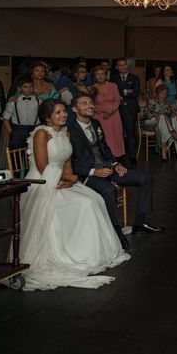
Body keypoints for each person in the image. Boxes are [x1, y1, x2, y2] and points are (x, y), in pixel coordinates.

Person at [19, 100, 130, 290]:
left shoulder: (65, 132)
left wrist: (71, 180)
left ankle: (94, 253)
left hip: (62, 178)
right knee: (83, 205)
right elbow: (42, 166)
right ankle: (77, 253)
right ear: (48, 117)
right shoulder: (41, 134)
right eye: (58, 112)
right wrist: (67, 177)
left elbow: (68, 162)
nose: (63, 115)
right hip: (43, 182)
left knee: (94, 199)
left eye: (64, 111)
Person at [69, 94, 165, 250]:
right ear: (74, 109)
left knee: (145, 177)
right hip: (87, 175)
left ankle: (140, 222)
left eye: (91, 102)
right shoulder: (70, 130)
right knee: (109, 190)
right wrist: (94, 171)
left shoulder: (96, 123)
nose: (90, 105)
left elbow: (105, 148)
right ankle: (116, 231)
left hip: (107, 169)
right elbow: (71, 162)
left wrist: (115, 164)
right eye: (83, 103)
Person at [90, 66, 126, 159]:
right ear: (95, 76)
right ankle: (105, 156)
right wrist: (102, 111)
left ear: (106, 75)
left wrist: (111, 111)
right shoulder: (92, 88)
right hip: (100, 116)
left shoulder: (113, 86)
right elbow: (91, 104)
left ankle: (116, 156)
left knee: (116, 135)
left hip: (114, 115)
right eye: (98, 74)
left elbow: (117, 100)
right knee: (104, 136)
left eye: (102, 74)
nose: (100, 76)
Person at [143, 85, 177, 161]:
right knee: (162, 117)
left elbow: (172, 113)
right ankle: (173, 132)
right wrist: (154, 114)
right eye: (162, 93)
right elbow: (145, 113)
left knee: (162, 121)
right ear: (157, 93)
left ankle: (163, 149)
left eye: (165, 93)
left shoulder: (167, 103)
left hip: (160, 126)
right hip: (150, 123)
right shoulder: (151, 101)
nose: (164, 95)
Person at [112, 58, 140, 165]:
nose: (123, 67)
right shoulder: (113, 79)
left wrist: (121, 91)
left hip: (130, 109)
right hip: (117, 109)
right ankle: (119, 154)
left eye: (124, 64)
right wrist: (126, 90)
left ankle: (132, 155)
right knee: (118, 133)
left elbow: (135, 93)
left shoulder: (135, 78)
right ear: (116, 67)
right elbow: (114, 93)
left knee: (131, 133)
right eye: (120, 65)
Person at [2, 77, 40, 149]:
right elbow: (5, 118)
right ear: (19, 89)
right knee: (16, 157)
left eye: (31, 86)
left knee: (33, 156)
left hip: (34, 131)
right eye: (25, 87)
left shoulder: (39, 101)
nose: (29, 89)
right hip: (17, 131)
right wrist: (11, 132)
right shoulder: (13, 102)